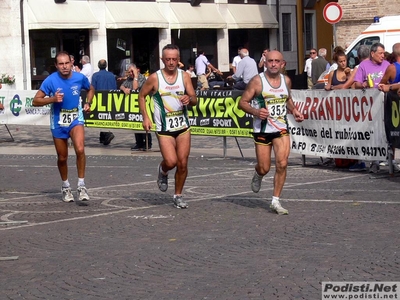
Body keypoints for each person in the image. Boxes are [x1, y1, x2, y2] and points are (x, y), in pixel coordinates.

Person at [238, 50, 304, 215]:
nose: (273, 64)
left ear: (283, 64)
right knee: (264, 167)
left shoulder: (286, 80)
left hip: (281, 128)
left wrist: (294, 110)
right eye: (270, 61)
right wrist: (255, 112)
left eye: (277, 61)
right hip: (262, 129)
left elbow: (287, 98)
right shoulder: (257, 82)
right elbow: (242, 102)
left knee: (282, 163)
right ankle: (258, 174)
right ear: (265, 63)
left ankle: (275, 200)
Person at [138, 44, 197, 209]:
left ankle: (178, 195)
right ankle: (163, 171)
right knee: (171, 161)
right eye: (168, 59)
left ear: (179, 60)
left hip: (183, 125)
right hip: (164, 128)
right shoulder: (155, 78)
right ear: (162, 59)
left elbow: (194, 98)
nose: (171, 62)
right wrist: (146, 117)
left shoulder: (184, 76)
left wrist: (189, 99)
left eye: (174, 59)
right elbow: (142, 96)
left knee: (183, 163)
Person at [32, 51, 95, 203]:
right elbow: (35, 101)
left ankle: (81, 185)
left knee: (80, 149)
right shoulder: (50, 80)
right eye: (61, 64)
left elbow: (91, 89)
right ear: (56, 66)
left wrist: (88, 102)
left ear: (72, 63)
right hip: (58, 120)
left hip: (75, 117)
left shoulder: (79, 77)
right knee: (62, 157)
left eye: (67, 63)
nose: (64, 66)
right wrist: (53, 99)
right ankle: (66, 186)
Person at [354, 42, 390, 173]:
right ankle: (375, 161)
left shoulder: (387, 65)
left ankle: (389, 159)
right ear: (372, 53)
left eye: (384, 53)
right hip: (370, 106)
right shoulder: (364, 65)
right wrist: (363, 84)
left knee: (388, 131)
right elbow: (356, 84)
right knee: (374, 133)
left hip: (386, 102)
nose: (382, 56)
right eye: (380, 53)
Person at [120, 63, 150, 151]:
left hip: (143, 103)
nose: (131, 74)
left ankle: (147, 143)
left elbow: (135, 87)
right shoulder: (129, 78)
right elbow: (122, 85)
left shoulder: (141, 77)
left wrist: (136, 75)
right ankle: (139, 143)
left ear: (137, 70)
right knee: (136, 124)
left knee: (144, 123)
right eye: (129, 72)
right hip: (133, 105)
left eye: (132, 71)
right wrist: (124, 89)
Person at [92, 59, 118, 146]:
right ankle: (103, 137)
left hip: (99, 99)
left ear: (98, 66)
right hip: (111, 98)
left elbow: (93, 88)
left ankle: (107, 134)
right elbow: (115, 87)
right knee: (107, 116)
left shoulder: (95, 76)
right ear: (106, 65)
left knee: (101, 116)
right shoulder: (111, 75)